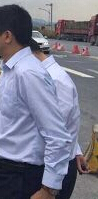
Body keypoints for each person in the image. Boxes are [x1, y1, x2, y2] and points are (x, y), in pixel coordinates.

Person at [0, 4, 72, 199]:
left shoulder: (28, 73)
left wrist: (48, 189)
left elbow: (57, 134)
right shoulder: (11, 68)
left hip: (21, 177)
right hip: (6, 172)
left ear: (7, 36)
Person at [30, 40, 90, 199]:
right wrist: (76, 150)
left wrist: (48, 189)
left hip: (51, 169)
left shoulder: (54, 80)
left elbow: (59, 132)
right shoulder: (43, 76)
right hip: (50, 164)